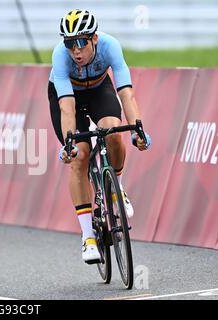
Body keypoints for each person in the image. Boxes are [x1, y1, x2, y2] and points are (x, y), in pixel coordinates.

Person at [48, 10, 151, 263]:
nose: (75, 50)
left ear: (94, 38)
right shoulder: (60, 57)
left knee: (113, 132)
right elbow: (67, 107)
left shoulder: (110, 46)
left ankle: (118, 188)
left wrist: (138, 129)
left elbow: (126, 93)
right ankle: (88, 237)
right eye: (69, 43)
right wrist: (70, 142)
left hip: (98, 89)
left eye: (81, 42)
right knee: (80, 156)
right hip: (66, 96)